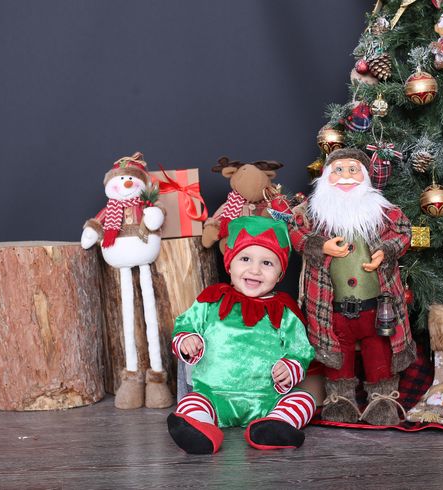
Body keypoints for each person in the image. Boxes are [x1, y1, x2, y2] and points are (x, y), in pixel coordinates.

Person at [167, 216, 315, 454]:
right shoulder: (211, 300)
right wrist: (187, 339)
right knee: (190, 403)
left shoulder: (284, 311)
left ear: (279, 274)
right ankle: (200, 429)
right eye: (245, 259)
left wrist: (290, 367)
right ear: (230, 263)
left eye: (267, 263)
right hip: (214, 396)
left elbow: (301, 349)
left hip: (267, 400)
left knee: (305, 400)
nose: (255, 270)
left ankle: (275, 426)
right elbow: (185, 324)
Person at [289, 148, 415, 426]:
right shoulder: (313, 213)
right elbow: (295, 232)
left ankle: (382, 401)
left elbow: (404, 232)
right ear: (325, 178)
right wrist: (319, 245)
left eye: (353, 169)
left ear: (365, 177)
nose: (346, 176)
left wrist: (385, 250)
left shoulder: (381, 212)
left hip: (376, 306)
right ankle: (341, 401)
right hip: (331, 309)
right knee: (337, 355)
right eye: (339, 170)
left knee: (379, 350)